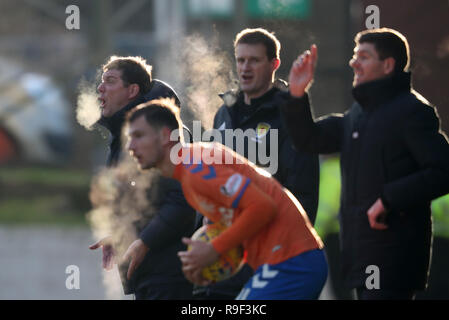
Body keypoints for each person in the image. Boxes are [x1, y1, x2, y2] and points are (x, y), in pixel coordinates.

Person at [281, 28, 449, 299]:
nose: (353, 62)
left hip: (394, 258)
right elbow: (309, 140)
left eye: (364, 56)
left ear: (388, 65)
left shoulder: (412, 112)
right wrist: (297, 96)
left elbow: (443, 171)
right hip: (361, 257)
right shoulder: (358, 115)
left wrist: (388, 199)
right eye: (354, 55)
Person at [124, 98, 328, 300]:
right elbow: (236, 232)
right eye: (129, 137)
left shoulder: (196, 167)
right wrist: (207, 265)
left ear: (165, 136)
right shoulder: (188, 174)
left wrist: (213, 250)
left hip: (293, 263)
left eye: (138, 136)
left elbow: (264, 207)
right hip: (281, 263)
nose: (130, 146)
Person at [194, 27, 321, 300]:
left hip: (269, 255)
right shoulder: (223, 115)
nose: (245, 68)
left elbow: (303, 191)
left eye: (254, 60)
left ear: (274, 64)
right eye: (240, 60)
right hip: (224, 254)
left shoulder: (291, 116)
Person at [88, 56, 196, 299]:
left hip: (169, 277)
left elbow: (183, 199)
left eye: (111, 81)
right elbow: (142, 200)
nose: (100, 87)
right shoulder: (124, 134)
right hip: (149, 274)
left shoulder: (161, 134)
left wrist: (145, 240)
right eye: (101, 81)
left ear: (132, 91)